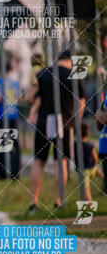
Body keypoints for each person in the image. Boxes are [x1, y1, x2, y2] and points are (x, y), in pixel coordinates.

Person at [24, 50, 85, 213]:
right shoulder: (73, 74)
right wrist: (76, 122)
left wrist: (35, 84)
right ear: (70, 61)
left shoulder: (43, 73)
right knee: (61, 161)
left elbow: (29, 98)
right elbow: (81, 102)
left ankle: (33, 203)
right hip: (64, 122)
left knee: (39, 161)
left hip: (44, 121)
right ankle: (59, 201)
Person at [0, 55, 21, 179]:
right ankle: (15, 172)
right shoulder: (15, 83)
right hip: (13, 115)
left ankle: (1, 172)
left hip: (3, 117)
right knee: (15, 145)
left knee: (4, 144)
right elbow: (19, 97)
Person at [74, 122, 103, 201]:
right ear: (87, 133)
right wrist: (95, 164)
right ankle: (104, 179)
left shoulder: (75, 145)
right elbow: (96, 158)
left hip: (84, 171)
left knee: (86, 189)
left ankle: (90, 203)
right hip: (93, 168)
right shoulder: (90, 145)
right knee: (100, 173)